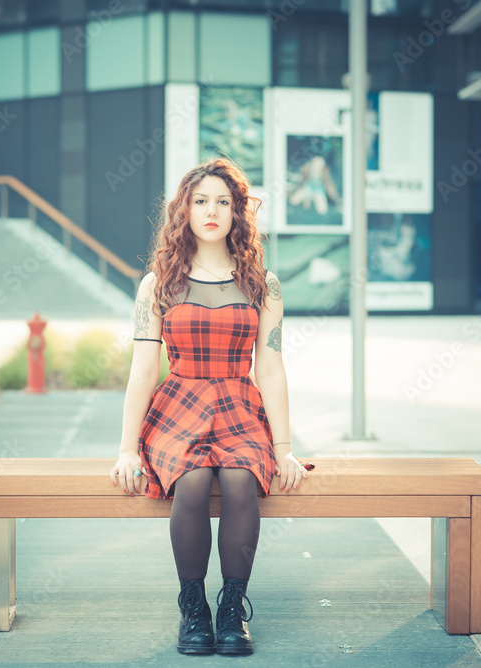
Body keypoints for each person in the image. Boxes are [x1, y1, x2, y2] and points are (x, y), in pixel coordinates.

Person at [110, 157, 309, 656]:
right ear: (185, 210)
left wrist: (283, 448)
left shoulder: (264, 283)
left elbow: (270, 368)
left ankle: (232, 606)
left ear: (238, 212)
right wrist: (127, 449)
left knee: (242, 479)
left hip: (239, 405)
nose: (212, 210)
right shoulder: (158, 283)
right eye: (201, 201)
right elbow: (142, 371)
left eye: (223, 201)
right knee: (193, 479)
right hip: (178, 404)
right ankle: (193, 606)